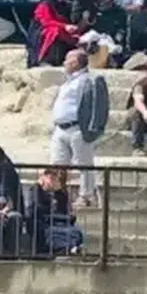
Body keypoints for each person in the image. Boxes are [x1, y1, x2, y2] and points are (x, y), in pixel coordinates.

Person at [49, 49, 98, 208]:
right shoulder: (67, 82)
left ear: (75, 63)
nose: (64, 62)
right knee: (58, 163)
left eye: (67, 59)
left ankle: (86, 196)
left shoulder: (87, 81)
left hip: (78, 127)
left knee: (84, 164)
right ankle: (59, 197)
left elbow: (95, 105)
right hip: (60, 128)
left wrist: (91, 128)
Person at [28, 167, 84, 256]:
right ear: (43, 177)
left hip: (59, 221)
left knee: (76, 232)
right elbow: (36, 209)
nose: (54, 180)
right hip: (44, 222)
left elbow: (64, 211)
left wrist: (58, 192)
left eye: (56, 177)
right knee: (51, 233)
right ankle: (69, 247)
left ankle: (69, 247)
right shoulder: (36, 189)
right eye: (51, 176)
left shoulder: (60, 193)